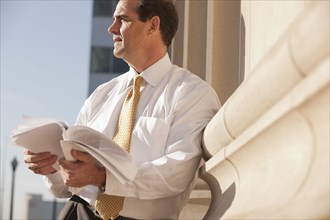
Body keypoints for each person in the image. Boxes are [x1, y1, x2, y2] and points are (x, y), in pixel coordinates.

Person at [23, 0, 220, 219]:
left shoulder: (192, 93)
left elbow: (177, 173)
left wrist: (104, 176)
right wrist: (52, 168)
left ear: (153, 26)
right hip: (79, 212)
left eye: (123, 19)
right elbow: (69, 188)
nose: (112, 28)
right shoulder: (101, 95)